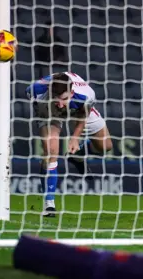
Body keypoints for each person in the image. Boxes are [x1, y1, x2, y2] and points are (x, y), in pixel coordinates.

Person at [26, 72, 113, 217]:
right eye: (57, 99)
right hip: (48, 110)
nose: (60, 104)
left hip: (77, 108)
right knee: (50, 150)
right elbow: (44, 109)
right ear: (50, 92)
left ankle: (78, 153)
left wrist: (75, 138)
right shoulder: (36, 92)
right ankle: (49, 205)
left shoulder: (86, 95)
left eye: (64, 99)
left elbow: (83, 114)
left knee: (105, 146)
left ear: (71, 93)